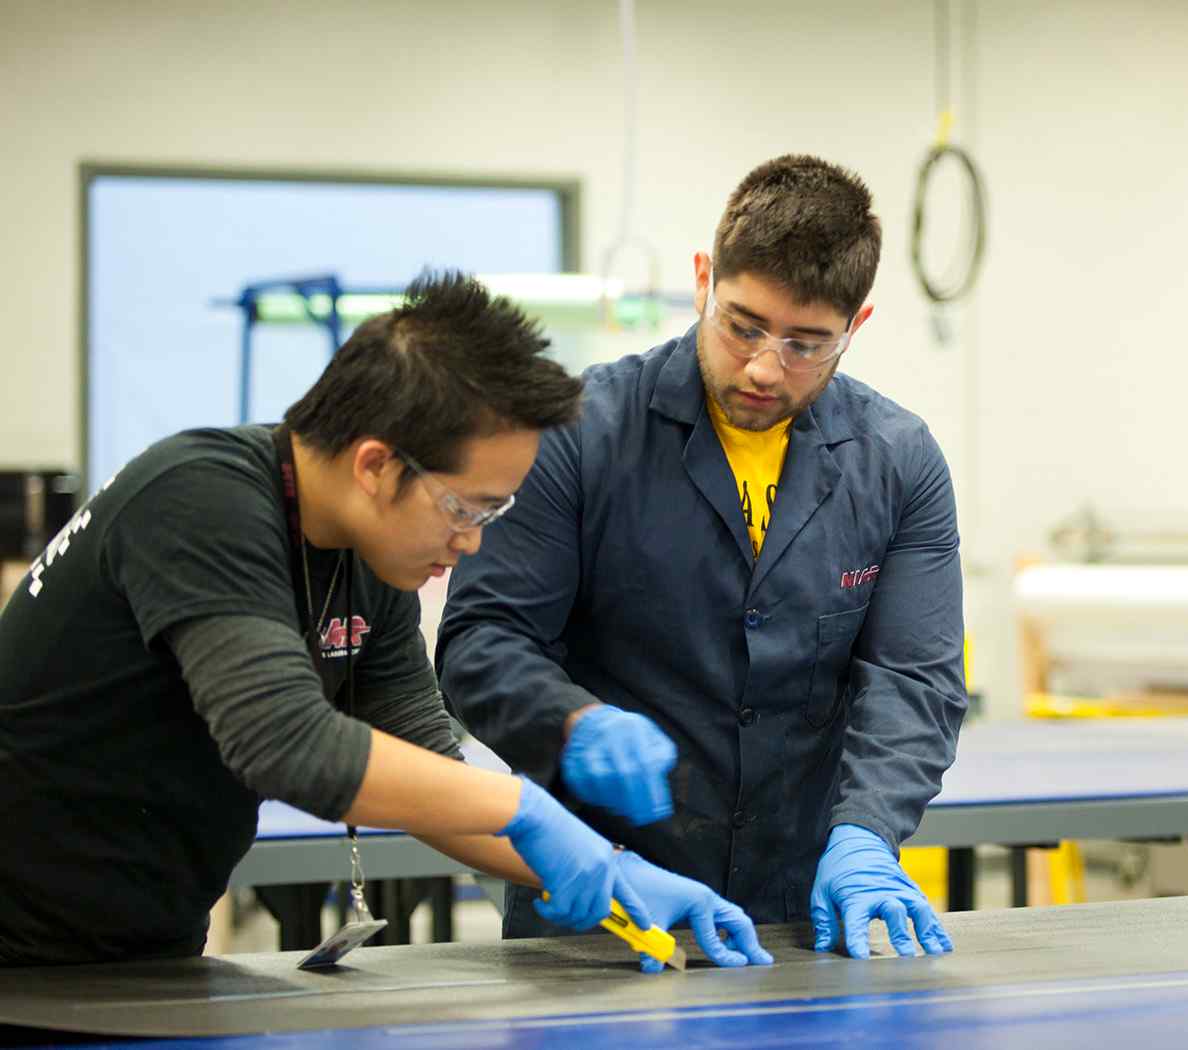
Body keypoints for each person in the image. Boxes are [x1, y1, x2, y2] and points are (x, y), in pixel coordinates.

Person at [0, 272, 770, 972]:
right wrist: (529, 808)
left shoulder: (369, 562)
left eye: (494, 513)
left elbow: (429, 773)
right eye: (466, 507)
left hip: (144, 945)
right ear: (375, 465)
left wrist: (614, 872)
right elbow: (288, 745)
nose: (471, 541)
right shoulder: (198, 500)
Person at [436, 155, 967, 961]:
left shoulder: (897, 462)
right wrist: (572, 722)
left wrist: (865, 834)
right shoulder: (576, 433)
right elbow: (481, 641)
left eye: (805, 344)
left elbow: (914, 679)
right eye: (743, 326)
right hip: (603, 902)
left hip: (805, 913)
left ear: (856, 327)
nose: (763, 367)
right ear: (702, 279)